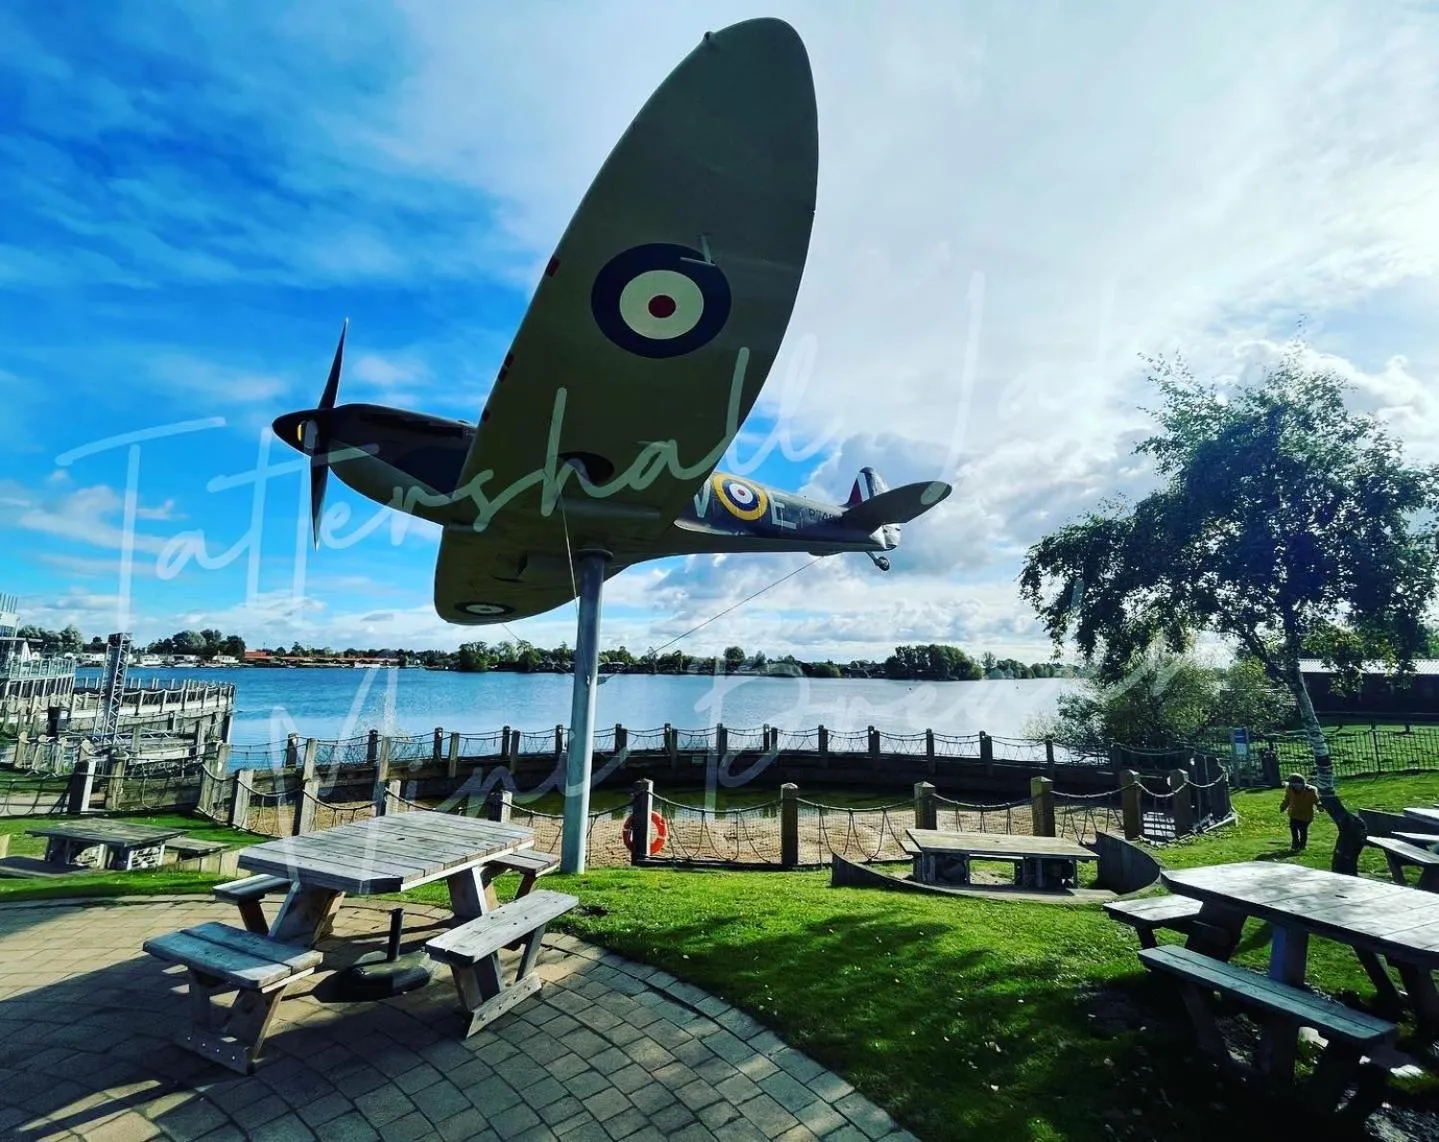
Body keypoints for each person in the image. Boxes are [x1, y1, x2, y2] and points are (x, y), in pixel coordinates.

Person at [1280, 773, 1320, 850]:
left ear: (1302, 784)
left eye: (1297, 785)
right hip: (1293, 814)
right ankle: (1295, 844)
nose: (1296, 787)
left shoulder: (1310, 791)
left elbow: (1316, 800)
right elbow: (1287, 800)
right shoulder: (1289, 789)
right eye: (1293, 785)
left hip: (1306, 815)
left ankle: (1302, 846)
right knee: (1293, 829)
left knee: (1303, 831)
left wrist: (1319, 806)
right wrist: (1283, 807)